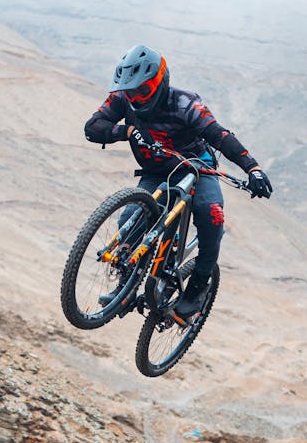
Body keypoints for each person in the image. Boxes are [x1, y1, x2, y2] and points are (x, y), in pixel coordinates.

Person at [84, 45, 273, 317]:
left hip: (197, 168)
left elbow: (219, 136)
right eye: (131, 92)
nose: (136, 99)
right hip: (155, 172)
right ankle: (125, 290)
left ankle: (198, 286)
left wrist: (252, 168)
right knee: (130, 220)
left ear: (160, 82)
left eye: (143, 91)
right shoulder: (121, 99)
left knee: (211, 218)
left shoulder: (185, 104)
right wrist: (128, 130)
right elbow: (92, 128)